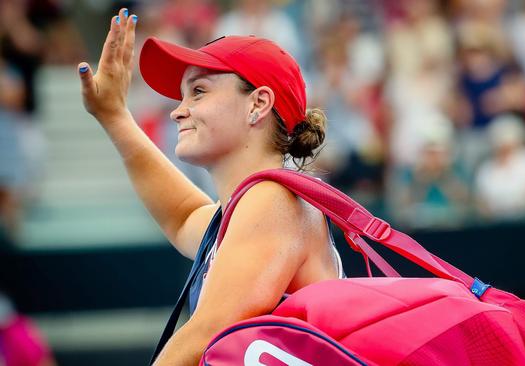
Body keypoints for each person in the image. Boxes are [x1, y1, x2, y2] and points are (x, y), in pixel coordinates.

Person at [77, 9, 343, 366]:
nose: (177, 111)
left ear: (258, 104)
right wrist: (114, 116)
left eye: (198, 92)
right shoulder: (249, 209)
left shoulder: (273, 201)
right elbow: (183, 216)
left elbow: (203, 337)